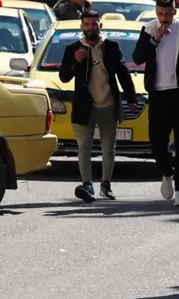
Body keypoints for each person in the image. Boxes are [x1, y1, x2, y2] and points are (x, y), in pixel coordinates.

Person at [132, 0, 179, 206]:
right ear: (157, 13)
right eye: (161, 14)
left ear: (175, 11)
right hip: (158, 95)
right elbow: (137, 58)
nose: (164, 18)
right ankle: (166, 174)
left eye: (168, 13)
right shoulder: (148, 29)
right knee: (157, 143)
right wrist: (155, 39)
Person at [58, 11, 137, 202]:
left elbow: (123, 73)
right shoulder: (73, 48)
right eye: (87, 24)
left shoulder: (111, 47)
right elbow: (64, 77)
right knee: (84, 147)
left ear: (100, 26)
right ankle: (87, 185)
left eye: (94, 24)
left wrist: (131, 97)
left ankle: (105, 185)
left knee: (108, 148)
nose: (91, 28)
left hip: (108, 105)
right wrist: (76, 61)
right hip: (85, 107)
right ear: (81, 27)